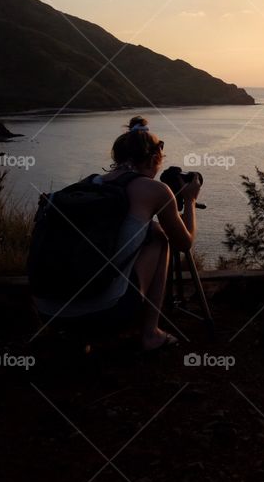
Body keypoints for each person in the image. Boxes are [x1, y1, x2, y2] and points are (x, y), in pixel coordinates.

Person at [33, 116, 201, 350]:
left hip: (48, 312)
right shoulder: (156, 190)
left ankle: (79, 335)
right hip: (107, 314)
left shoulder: (89, 184)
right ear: (154, 158)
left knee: (150, 229)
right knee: (161, 238)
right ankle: (150, 334)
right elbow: (184, 243)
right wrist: (190, 200)